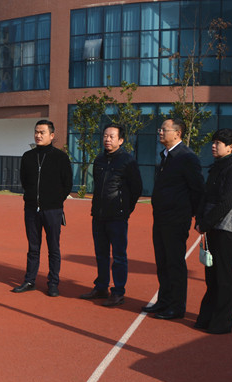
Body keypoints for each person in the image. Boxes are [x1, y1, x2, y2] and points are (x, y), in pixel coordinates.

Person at [143, 118, 205, 320]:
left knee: (174, 263)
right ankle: (164, 300)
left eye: (164, 129)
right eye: (160, 129)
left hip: (176, 218)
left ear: (178, 133)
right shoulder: (166, 155)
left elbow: (197, 189)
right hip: (161, 217)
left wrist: (190, 214)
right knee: (162, 261)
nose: (160, 132)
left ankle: (177, 306)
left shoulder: (186, 157)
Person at [80, 123, 143, 307]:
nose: (107, 139)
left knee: (119, 256)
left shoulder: (128, 161)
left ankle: (118, 292)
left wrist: (125, 209)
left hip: (117, 217)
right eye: (105, 136)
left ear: (121, 140)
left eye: (111, 136)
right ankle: (101, 287)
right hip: (98, 215)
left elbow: (137, 188)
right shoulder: (99, 159)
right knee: (101, 254)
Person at [193, 128, 232, 334]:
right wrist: (200, 219)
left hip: (228, 227)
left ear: (230, 147)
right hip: (212, 225)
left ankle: (222, 322)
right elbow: (206, 196)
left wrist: (205, 223)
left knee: (224, 276)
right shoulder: (216, 167)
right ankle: (207, 318)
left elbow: (226, 202)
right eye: (213, 142)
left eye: (218, 143)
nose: (213, 146)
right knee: (211, 275)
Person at [12, 119, 73, 297]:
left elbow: (67, 184)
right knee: (33, 247)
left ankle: (53, 283)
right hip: (31, 209)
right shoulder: (28, 157)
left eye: (42, 132)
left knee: (53, 248)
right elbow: (25, 181)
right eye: (36, 132)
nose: (38, 135)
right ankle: (30, 280)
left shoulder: (61, 158)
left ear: (51, 135)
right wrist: (33, 198)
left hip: (53, 210)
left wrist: (54, 200)